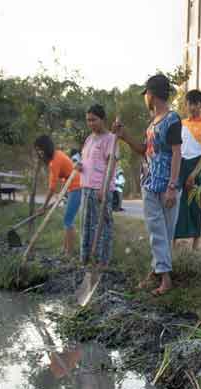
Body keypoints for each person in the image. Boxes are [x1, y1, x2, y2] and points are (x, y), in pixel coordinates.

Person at [113, 74, 183, 296]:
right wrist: (124, 136)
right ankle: (160, 274)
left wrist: (172, 186)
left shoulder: (172, 119)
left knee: (164, 232)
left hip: (167, 185)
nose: (145, 99)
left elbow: (176, 153)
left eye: (146, 95)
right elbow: (145, 150)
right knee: (157, 230)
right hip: (150, 183)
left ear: (151, 95)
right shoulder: (152, 123)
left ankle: (162, 276)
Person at [80, 104, 119, 268]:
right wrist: (79, 166)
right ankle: (87, 259)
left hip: (100, 190)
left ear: (102, 119)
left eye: (93, 120)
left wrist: (103, 188)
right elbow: (86, 161)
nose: (90, 123)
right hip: (86, 187)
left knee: (102, 226)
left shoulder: (110, 139)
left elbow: (111, 165)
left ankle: (102, 262)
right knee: (86, 224)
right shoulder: (89, 138)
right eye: (88, 120)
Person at [174, 89, 201, 250]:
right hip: (180, 165)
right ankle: (173, 241)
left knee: (196, 204)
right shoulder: (180, 124)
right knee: (177, 204)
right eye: (190, 104)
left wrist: (194, 173)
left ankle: (196, 243)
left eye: (197, 104)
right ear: (186, 105)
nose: (193, 107)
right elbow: (175, 149)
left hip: (197, 166)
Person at [35, 135, 81, 257]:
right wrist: (61, 194)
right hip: (72, 187)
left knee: (68, 220)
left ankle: (69, 253)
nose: (39, 153)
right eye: (37, 151)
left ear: (46, 148)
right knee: (67, 219)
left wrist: (43, 206)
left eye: (40, 150)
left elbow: (52, 187)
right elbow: (66, 174)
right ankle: (65, 250)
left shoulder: (55, 161)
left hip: (77, 187)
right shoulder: (57, 154)